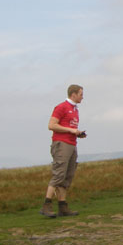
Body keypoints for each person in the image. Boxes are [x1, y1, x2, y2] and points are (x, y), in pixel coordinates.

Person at [41, 84, 86, 218]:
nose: (82, 97)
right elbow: (51, 125)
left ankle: (63, 206)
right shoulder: (61, 107)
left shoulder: (75, 109)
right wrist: (71, 130)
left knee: (67, 176)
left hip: (72, 143)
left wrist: (77, 133)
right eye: (81, 94)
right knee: (58, 174)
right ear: (73, 94)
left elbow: (67, 126)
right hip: (61, 144)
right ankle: (46, 205)